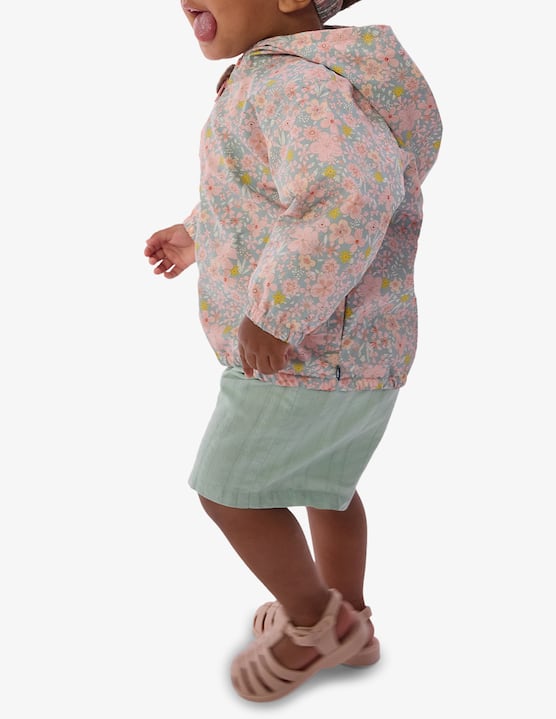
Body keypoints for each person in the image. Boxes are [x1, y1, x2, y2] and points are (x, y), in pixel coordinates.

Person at [144, 0, 441, 703]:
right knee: (324, 483)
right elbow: (267, 190)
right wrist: (198, 232)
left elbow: (346, 194)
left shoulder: (294, 83)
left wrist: (278, 313)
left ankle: (316, 623)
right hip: (357, 344)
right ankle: (350, 614)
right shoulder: (309, 76)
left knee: (229, 493)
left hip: (307, 347)